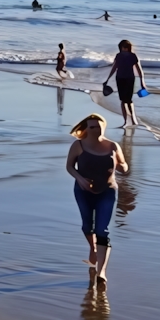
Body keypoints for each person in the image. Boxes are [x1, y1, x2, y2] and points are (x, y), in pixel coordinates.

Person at [66, 113, 128, 287]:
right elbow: (69, 166)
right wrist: (79, 178)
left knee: (102, 230)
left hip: (107, 191)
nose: (96, 129)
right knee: (88, 225)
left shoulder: (113, 146)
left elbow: (124, 166)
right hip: (83, 191)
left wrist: (121, 166)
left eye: (99, 126)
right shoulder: (78, 146)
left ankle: (101, 272)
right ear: (86, 129)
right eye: (92, 126)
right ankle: (92, 248)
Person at [104, 39, 146, 127]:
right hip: (119, 78)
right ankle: (126, 121)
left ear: (128, 48)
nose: (124, 49)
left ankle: (133, 119)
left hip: (130, 78)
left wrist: (142, 82)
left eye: (125, 47)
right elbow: (114, 67)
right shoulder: (118, 56)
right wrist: (107, 79)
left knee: (129, 100)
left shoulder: (133, 56)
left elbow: (139, 69)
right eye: (122, 47)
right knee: (122, 100)